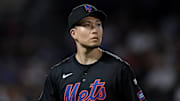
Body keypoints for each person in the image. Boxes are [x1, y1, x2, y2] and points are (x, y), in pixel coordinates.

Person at [39, 4, 147, 101]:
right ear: (73, 33)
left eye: (98, 24)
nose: (95, 30)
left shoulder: (119, 70)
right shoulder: (57, 74)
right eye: (87, 25)